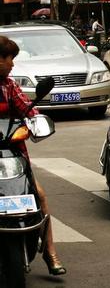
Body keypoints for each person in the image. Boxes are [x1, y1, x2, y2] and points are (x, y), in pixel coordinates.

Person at [0, 36, 66, 275]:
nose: (12, 64)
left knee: (39, 195)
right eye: (10, 59)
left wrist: (33, 121)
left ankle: (49, 251)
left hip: (12, 156)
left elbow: (29, 108)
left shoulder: (10, 86)